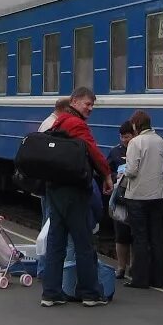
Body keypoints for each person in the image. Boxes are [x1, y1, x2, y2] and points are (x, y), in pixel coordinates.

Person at [39, 87, 111, 308]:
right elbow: (93, 151)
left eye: (91, 105)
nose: (90, 109)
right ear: (75, 102)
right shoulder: (76, 124)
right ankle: (89, 293)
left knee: (56, 242)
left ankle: (51, 293)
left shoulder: (59, 122)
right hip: (73, 191)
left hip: (55, 189)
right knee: (83, 242)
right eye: (87, 104)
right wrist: (107, 174)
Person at [123, 109, 163, 289]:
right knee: (156, 237)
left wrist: (123, 172)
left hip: (138, 196)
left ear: (136, 125)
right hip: (158, 194)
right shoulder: (162, 141)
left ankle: (140, 279)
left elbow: (132, 170)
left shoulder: (136, 142)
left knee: (140, 237)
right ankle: (157, 279)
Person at [106, 120, 136, 279]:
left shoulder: (138, 149)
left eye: (128, 136)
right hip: (120, 198)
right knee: (121, 234)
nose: (125, 139)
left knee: (135, 235)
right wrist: (113, 176)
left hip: (136, 196)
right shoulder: (115, 152)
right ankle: (121, 267)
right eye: (123, 137)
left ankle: (133, 267)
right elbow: (106, 170)